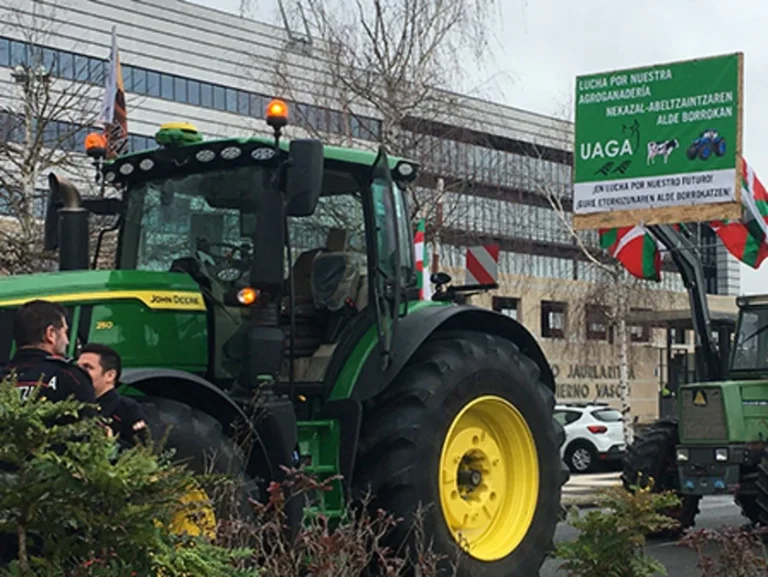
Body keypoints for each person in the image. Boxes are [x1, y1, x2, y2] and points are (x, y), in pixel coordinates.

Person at [1, 299, 96, 408]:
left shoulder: (3, 376)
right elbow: (88, 422)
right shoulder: (70, 378)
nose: (67, 341)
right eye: (64, 332)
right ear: (50, 334)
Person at [77, 343, 149, 447]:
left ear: (110, 375)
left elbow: (144, 452)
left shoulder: (127, 409)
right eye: (77, 367)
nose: (79, 372)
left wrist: (111, 444)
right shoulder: (75, 405)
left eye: (87, 367)